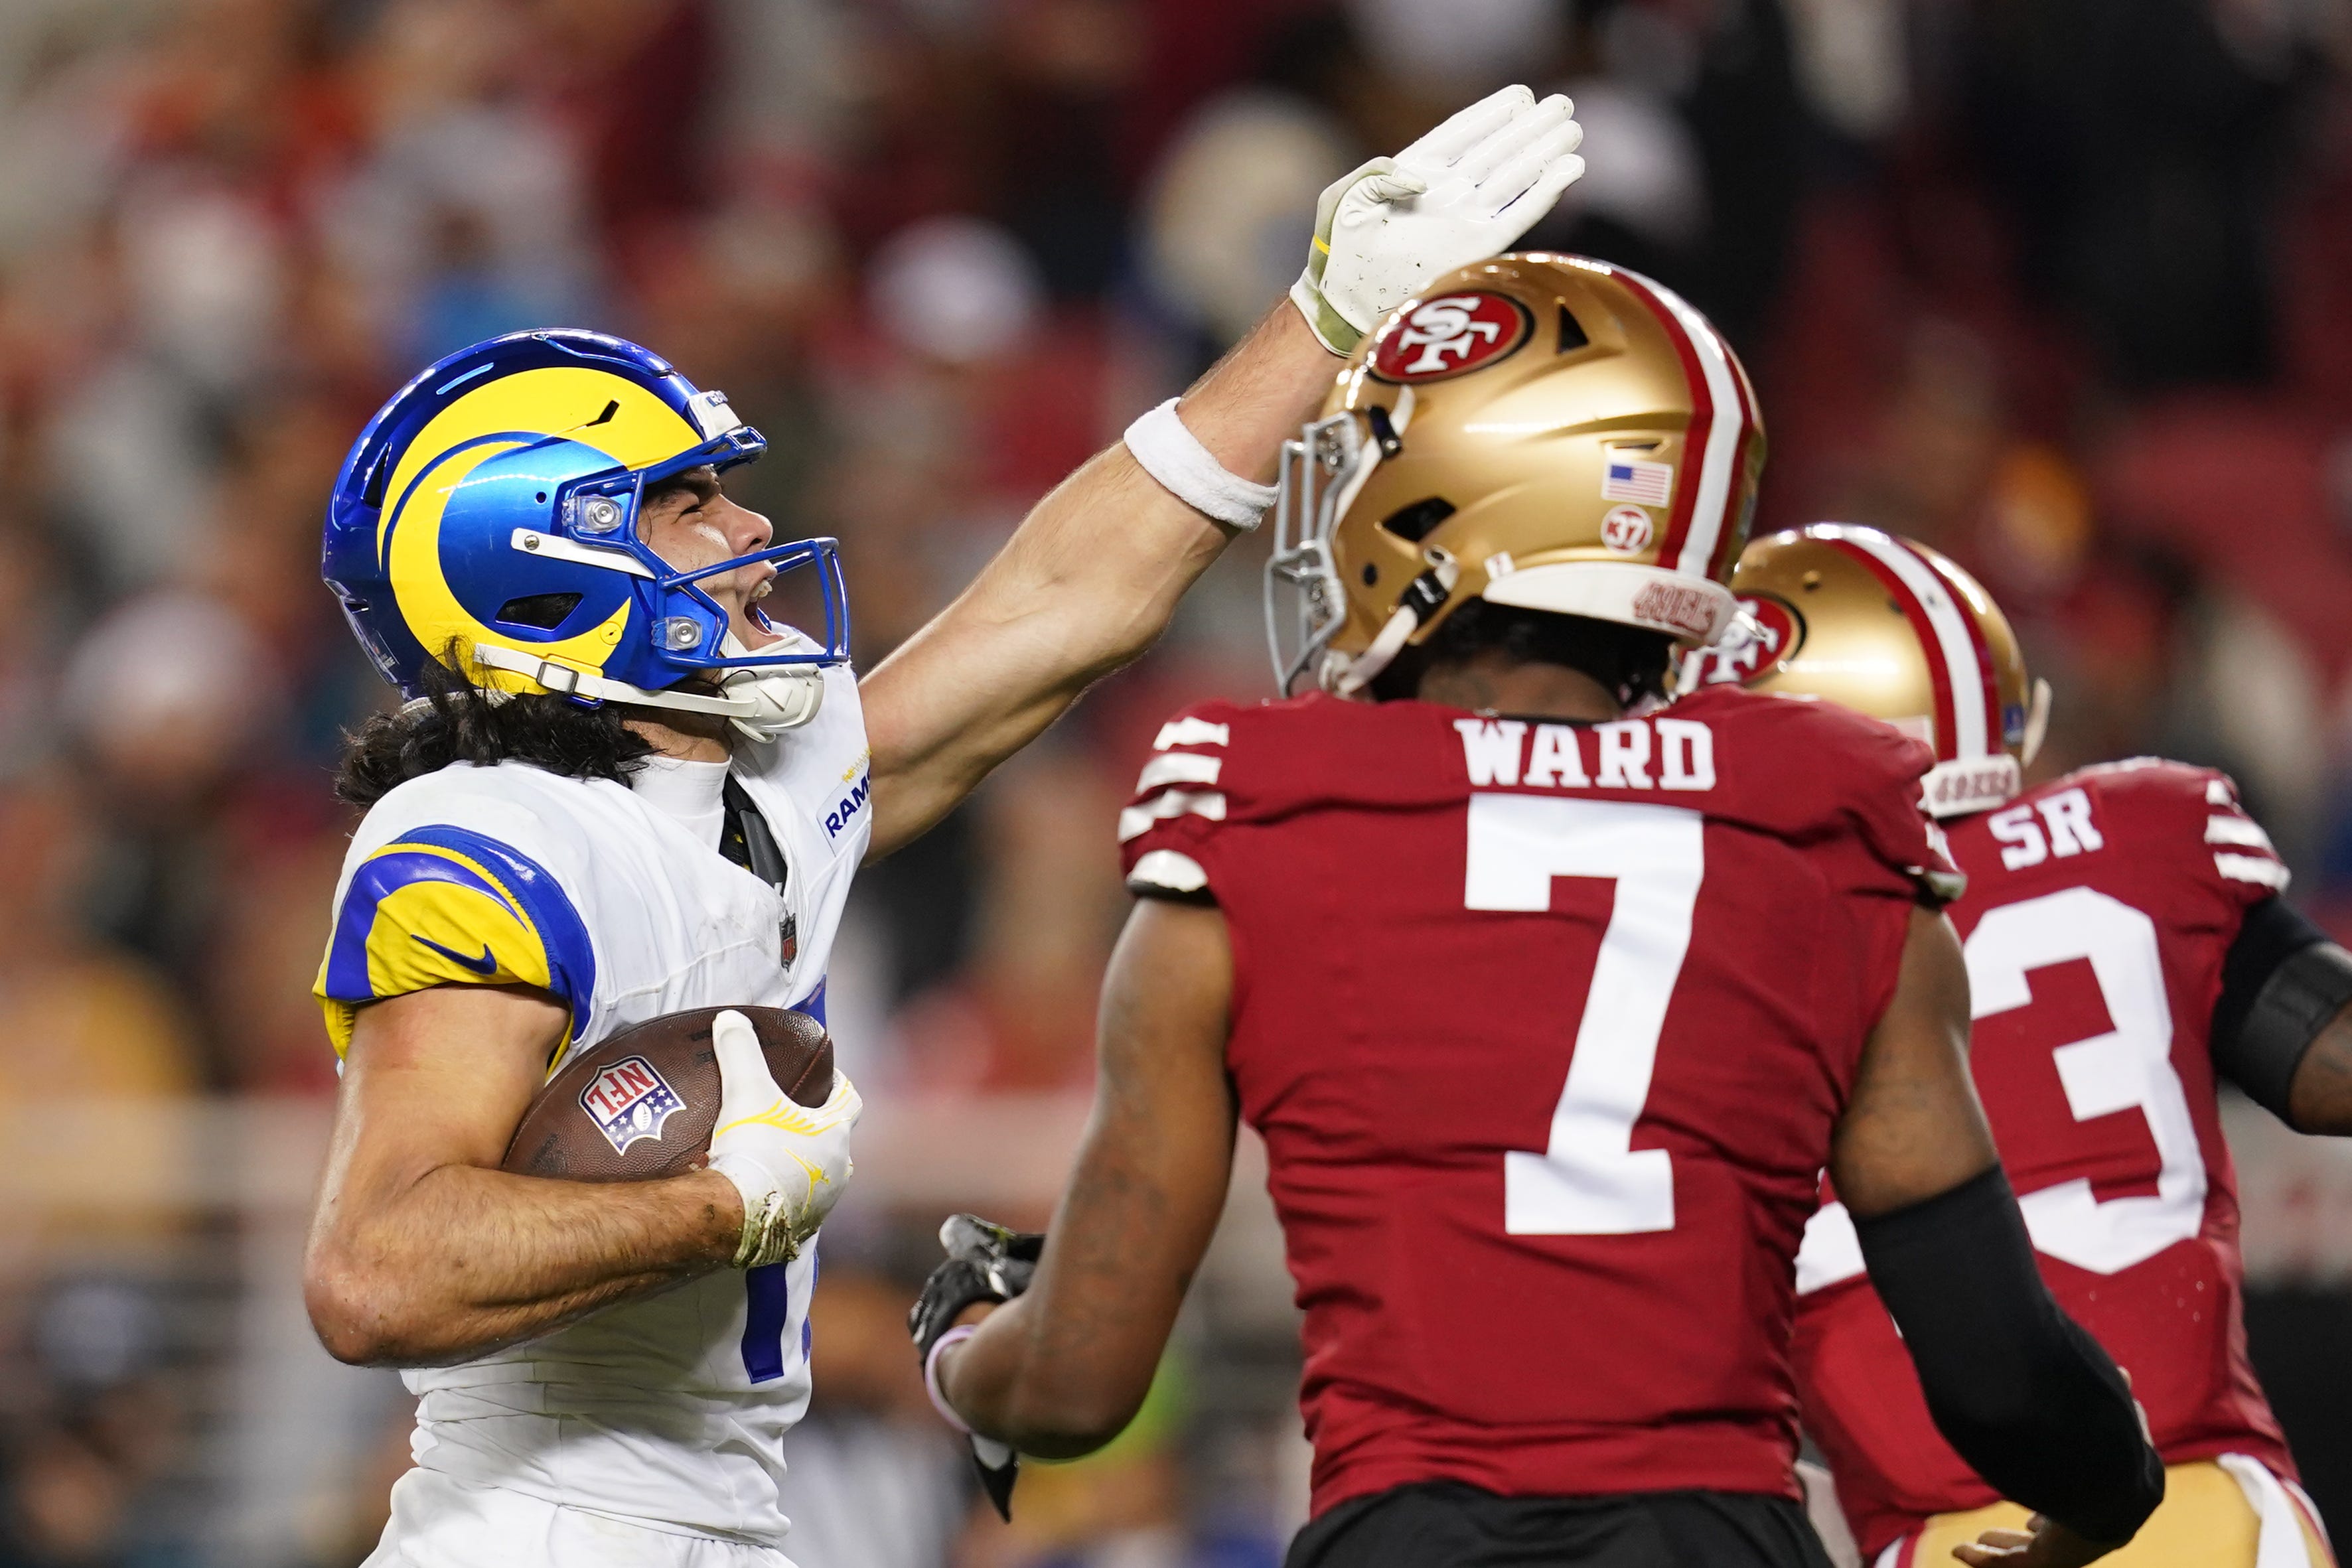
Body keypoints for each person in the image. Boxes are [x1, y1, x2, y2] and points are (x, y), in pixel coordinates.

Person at [297, 85, 1593, 1568]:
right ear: (529, 564)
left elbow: (1058, 606)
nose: (742, 536)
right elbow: (376, 1270)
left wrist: (1318, 320)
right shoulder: (485, 838)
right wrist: (726, 1206)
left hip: (702, 1522)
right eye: (684, 507)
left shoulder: (750, 794)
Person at [909, 254, 2164, 1568]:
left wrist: (961, 1350)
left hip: (1411, 1537)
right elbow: (1994, 1368)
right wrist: (2108, 1493)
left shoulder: (1256, 811)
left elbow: (1072, 1386)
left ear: (1465, 488)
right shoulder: (1821, 814)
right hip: (1713, 1540)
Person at [1689, 524, 2351, 1568]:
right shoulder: (2143, 835)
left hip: (1941, 1540)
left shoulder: (1700, 953)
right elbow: (2331, 1070)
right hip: (2209, 1516)